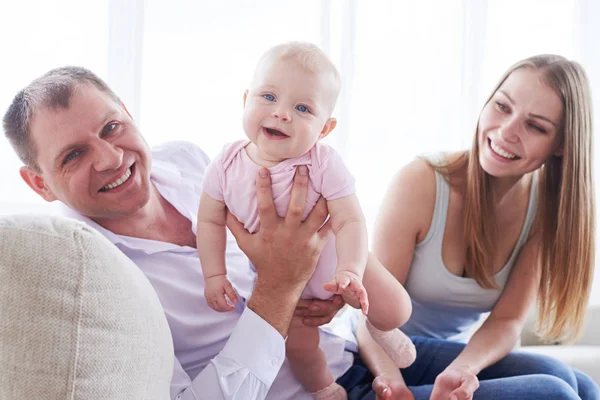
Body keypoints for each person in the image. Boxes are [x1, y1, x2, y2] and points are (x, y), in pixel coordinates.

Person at [2, 66, 352, 399]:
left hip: (349, 352)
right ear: (39, 184)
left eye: (111, 127)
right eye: (74, 155)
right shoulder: (89, 282)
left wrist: (325, 291)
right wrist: (280, 288)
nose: (110, 159)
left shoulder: (187, 159)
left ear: (127, 112)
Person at [340, 54, 600, 399]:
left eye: (535, 126)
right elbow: (368, 315)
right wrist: (392, 385)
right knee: (556, 391)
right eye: (502, 107)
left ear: (563, 145)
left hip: (443, 359)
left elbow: (506, 321)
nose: (506, 132)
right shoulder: (421, 182)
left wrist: (463, 369)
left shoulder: (544, 210)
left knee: (579, 383)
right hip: (371, 361)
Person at [196, 42, 415, 399]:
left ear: (325, 128)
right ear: (245, 99)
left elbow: (350, 221)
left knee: (397, 309)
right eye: (268, 97)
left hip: (336, 266)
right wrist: (214, 274)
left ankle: (380, 329)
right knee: (297, 348)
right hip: (283, 285)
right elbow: (208, 221)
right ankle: (325, 388)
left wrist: (351, 271)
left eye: (302, 108)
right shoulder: (225, 164)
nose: (282, 113)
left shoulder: (322, 162)